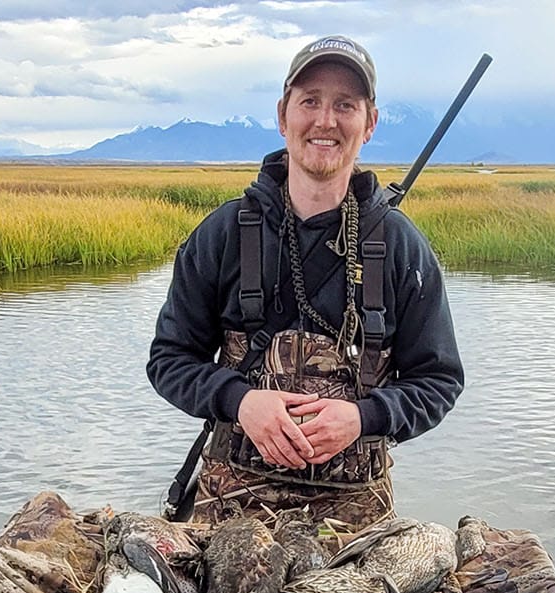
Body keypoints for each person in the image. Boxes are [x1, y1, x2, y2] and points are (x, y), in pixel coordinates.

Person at [147, 35, 464, 529]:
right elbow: (168, 360)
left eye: (345, 105)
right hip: (228, 514)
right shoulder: (223, 234)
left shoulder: (402, 247)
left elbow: (440, 380)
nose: (325, 121)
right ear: (282, 115)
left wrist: (364, 417)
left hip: (358, 527)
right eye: (310, 101)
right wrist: (241, 401)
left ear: (370, 123)